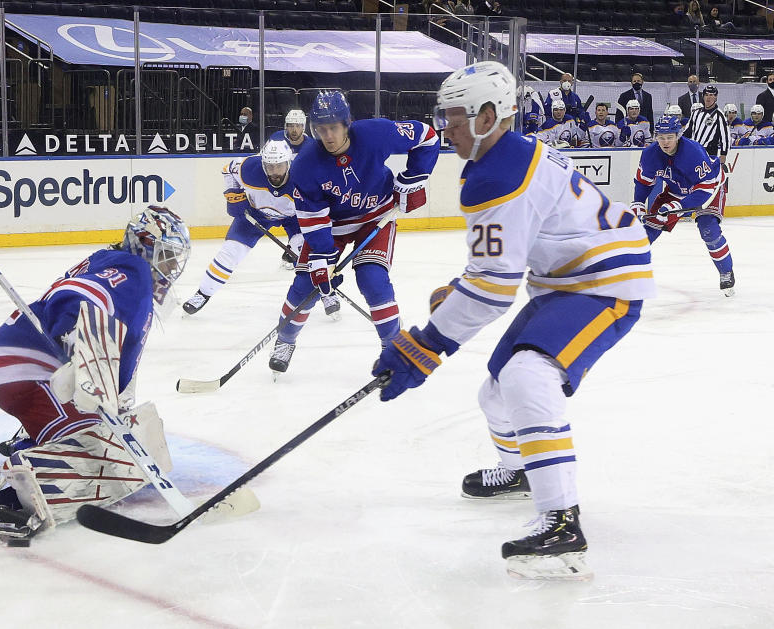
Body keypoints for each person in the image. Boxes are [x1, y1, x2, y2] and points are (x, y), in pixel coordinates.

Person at [372, 60, 655, 580]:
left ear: (486, 115)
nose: (444, 127)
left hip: (607, 282)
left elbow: (492, 290)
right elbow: (494, 269)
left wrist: (426, 345)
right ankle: (523, 468)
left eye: (453, 117)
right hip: (565, 279)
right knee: (497, 392)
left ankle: (561, 519)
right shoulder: (498, 159)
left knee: (529, 374)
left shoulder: (498, 172)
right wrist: (460, 295)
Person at [0, 206, 192, 538]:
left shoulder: (111, 261)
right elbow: (76, 297)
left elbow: (114, 343)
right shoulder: (133, 270)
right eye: (167, 256)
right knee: (89, 451)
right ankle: (1, 503)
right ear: (145, 243)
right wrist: (76, 344)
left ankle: (36, 437)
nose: (170, 268)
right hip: (29, 365)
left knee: (98, 439)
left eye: (176, 260)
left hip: (19, 362)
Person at [269, 90, 439, 374]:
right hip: (331, 226)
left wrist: (413, 179)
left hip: (375, 218)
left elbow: (427, 137)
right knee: (305, 286)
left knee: (373, 279)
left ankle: (392, 348)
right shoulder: (306, 165)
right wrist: (323, 258)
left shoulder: (376, 133)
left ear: (347, 123)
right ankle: (285, 340)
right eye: (321, 129)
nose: (329, 136)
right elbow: (314, 218)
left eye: (334, 127)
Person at [182, 140, 341, 319]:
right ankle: (203, 293)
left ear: (289, 163)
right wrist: (233, 194)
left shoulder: (302, 177)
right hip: (255, 214)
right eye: (269, 166)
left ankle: (327, 293)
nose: (274, 172)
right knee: (229, 253)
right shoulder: (250, 168)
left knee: (307, 255)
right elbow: (228, 169)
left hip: (293, 218)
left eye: (279, 166)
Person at [634, 115, 735, 296]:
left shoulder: (693, 152)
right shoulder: (650, 154)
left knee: (708, 230)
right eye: (661, 137)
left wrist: (676, 205)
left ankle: (726, 271)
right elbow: (643, 182)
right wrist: (638, 203)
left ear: (678, 135)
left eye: (670, 137)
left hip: (710, 188)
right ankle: (625, 274)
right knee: (648, 230)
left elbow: (704, 190)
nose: (665, 142)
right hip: (676, 190)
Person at [683, 84, 730, 167]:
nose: (708, 97)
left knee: (707, 179)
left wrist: (723, 154)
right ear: (703, 96)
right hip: (694, 150)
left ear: (716, 97)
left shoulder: (719, 115)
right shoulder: (696, 113)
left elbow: (725, 136)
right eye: (706, 95)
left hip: (709, 152)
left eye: (711, 95)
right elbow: (687, 132)